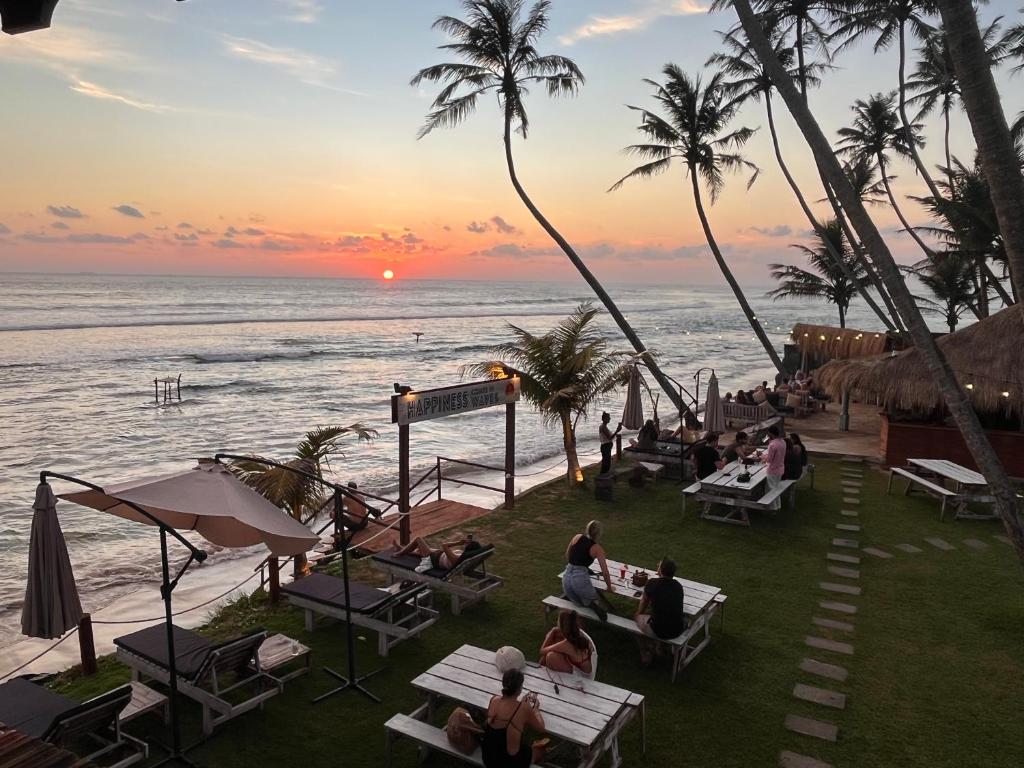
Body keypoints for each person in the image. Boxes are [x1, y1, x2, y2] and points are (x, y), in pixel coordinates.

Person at [481, 669, 547, 768]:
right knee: (540, 751)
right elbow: (541, 729)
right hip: (509, 763)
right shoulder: (524, 708)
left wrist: (521, 704)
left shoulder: (494, 699)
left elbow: (506, 710)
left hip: (488, 758)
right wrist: (535, 710)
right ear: (519, 688)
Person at [634, 558, 687, 666]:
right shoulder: (678, 586)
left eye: (659, 566)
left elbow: (644, 602)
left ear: (661, 570)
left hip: (658, 630)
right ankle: (660, 647)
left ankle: (646, 654)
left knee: (634, 622)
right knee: (682, 618)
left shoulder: (652, 583)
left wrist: (638, 614)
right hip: (677, 629)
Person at [562, 520, 614, 621]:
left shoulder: (577, 537)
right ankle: (593, 606)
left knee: (577, 600)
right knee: (594, 599)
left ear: (587, 529)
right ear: (599, 534)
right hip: (580, 579)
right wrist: (609, 587)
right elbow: (605, 572)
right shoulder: (597, 548)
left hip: (566, 576)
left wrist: (581, 566)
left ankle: (577, 598)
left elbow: (568, 556)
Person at [539, 609, 594, 679]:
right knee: (546, 656)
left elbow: (542, 650)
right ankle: (542, 674)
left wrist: (551, 632)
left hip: (582, 678)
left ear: (561, 625)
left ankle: (545, 678)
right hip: (585, 671)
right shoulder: (579, 635)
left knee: (550, 656)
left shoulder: (566, 644)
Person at [392, 534, 481, 572]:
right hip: (439, 555)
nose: (465, 545)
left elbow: (444, 545)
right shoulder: (467, 557)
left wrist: (459, 542)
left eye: (467, 545)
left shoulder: (456, 560)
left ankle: (399, 553)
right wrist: (469, 542)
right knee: (419, 550)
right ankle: (401, 549)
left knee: (418, 539)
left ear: (468, 549)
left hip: (433, 559)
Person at [761, 425, 787, 490]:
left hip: (772, 470)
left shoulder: (772, 445)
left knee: (771, 491)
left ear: (770, 433)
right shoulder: (783, 442)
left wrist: (761, 456)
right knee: (776, 489)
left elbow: (769, 459)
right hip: (780, 469)